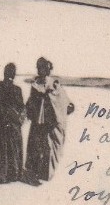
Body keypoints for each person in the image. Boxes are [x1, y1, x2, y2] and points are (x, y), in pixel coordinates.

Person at [23, 57, 74, 185]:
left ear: (48, 69)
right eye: (39, 68)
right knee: (35, 147)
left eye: (44, 68)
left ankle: (45, 174)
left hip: (50, 122)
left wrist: (65, 106)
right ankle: (33, 172)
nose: (41, 70)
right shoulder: (35, 84)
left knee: (48, 147)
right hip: (37, 122)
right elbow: (31, 101)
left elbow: (63, 100)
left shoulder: (55, 84)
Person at [0, 62, 25, 183]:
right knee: (7, 149)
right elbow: (20, 107)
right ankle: (10, 174)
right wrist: (14, 118)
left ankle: (1, 174)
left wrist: (8, 116)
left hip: (0, 122)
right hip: (7, 123)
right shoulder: (15, 89)